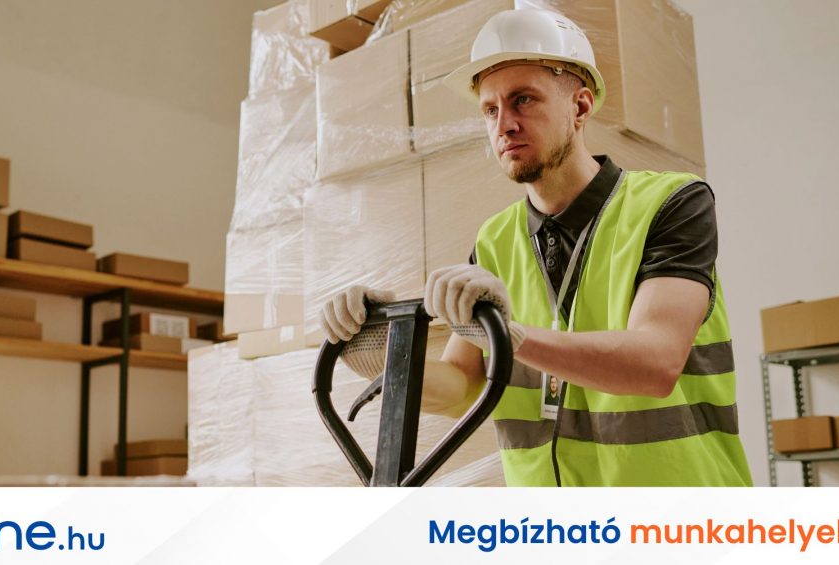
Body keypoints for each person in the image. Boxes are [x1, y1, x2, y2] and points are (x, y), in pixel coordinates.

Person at [318, 7, 752, 487]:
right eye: (490, 109)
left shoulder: (670, 203)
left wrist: (510, 338)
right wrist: (375, 349)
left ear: (580, 107)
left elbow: (655, 363)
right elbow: (460, 387)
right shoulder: (495, 240)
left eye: (522, 100)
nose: (504, 124)